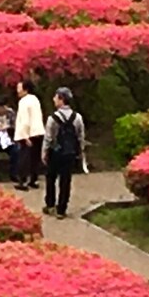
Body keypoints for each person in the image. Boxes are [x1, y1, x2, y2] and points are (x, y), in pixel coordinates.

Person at [41, 87, 85, 219]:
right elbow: (80, 136)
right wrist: (80, 151)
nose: (54, 99)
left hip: (55, 152)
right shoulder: (77, 117)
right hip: (70, 153)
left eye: (56, 97)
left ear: (61, 99)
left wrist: (44, 152)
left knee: (51, 178)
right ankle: (62, 209)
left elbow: (48, 137)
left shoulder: (52, 118)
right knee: (66, 181)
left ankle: (50, 204)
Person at [13, 80, 44, 191]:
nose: (17, 90)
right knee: (35, 158)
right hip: (38, 132)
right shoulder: (35, 99)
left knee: (24, 158)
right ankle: (33, 180)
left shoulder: (24, 102)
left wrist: (25, 135)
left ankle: (23, 181)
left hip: (28, 133)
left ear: (25, 89)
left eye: (19, 88)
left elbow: (24, 120)